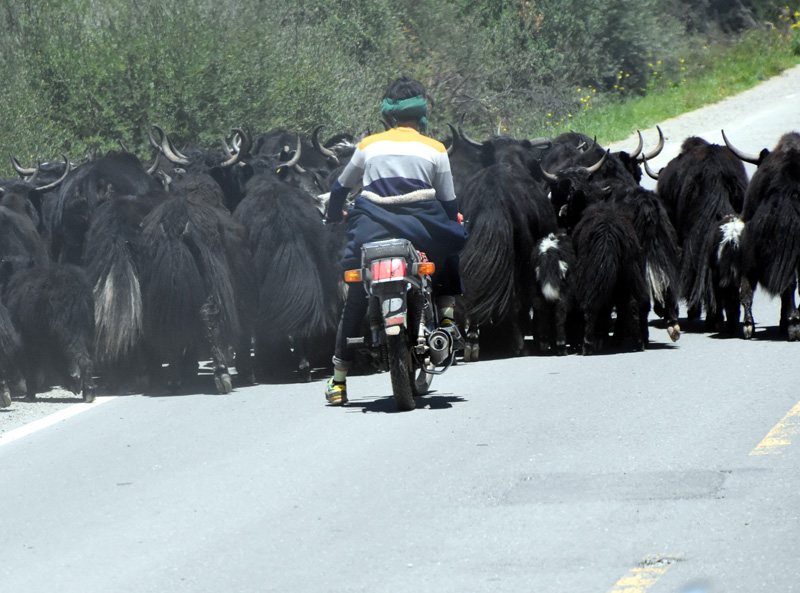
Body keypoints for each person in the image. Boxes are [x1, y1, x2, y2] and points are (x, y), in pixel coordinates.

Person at [324, 76, 468, 406]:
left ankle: (338, 382)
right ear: (421, 115)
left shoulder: (368, 145)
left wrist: (334, 214)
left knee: (357, 294)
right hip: (422, 230)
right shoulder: (436, 149)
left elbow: (339, 189)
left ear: (388, 115)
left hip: (371, 230)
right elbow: (448, 203)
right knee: (451, 242)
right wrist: (451, 220)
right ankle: (446, 319)